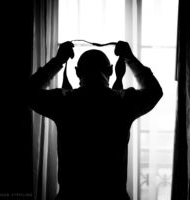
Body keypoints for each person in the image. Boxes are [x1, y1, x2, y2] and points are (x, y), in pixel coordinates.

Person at [28, 41, 163, 200]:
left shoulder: (64, 102)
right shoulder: (123, 102)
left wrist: (58, 61)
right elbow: (155, 91)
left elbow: (29, 92)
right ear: (111, 71)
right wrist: (130, 58)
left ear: (78, 72)